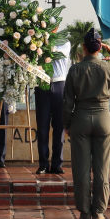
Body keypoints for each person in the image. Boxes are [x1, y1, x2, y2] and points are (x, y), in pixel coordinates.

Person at [64, 28, 110, 219]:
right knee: (102, 169)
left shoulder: (75, 69)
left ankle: (85, 212)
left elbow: (68, 102)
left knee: (82, 169)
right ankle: (99, 212)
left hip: (81, 118)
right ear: (99, 48)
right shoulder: (108, 67)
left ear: (84, 48)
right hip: (103, 118)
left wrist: (66, 124)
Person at [35, 35, 72, 174]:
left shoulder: (65, 42)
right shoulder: (36, 40)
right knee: (42, 126)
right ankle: (43, 163)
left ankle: (57, 163)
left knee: (59, 126)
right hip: (41, 84)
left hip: (59, 84)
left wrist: (43, 46)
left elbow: (56, 54)